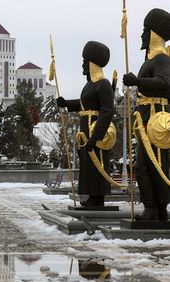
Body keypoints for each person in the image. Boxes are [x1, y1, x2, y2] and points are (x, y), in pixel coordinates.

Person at [123, 8, 170, 221]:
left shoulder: (161, 59)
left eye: (145, 31)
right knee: (147, 164)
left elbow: (165, 83)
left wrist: (137, 82)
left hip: (156, 119)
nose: (142, 36)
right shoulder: (149, 61)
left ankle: (155, 206)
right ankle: (156, 208)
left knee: (150, 164)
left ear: (154, 34)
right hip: (146, 119)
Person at [57, 41, 114, 207]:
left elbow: (107, 111)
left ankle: (98, 197)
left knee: (97, 163)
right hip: (85, 130)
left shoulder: (104, 84)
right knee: (88, 165)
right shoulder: (90, 85)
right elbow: (84, 104)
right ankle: (91, 196)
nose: (82, 64)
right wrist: (66, 103)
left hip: (96, 131)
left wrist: (96, 136)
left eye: (85, 61)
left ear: (93, 63)